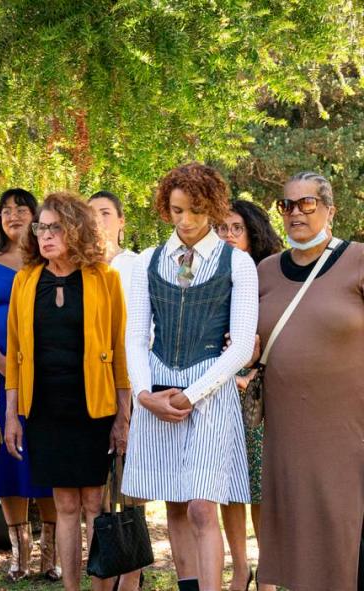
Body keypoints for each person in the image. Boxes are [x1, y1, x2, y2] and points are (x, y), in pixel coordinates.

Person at [122, 163, 258, 591]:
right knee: (175, 504)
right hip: (157, 383)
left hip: (210, 389)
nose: (186, 220)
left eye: (196, 211)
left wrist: (192, 395)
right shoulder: (147, 262)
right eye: (177, 210)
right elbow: (136, 336)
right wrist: (144, 394)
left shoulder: (237, 264)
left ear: (213, 208)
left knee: (202, 506)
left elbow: (239, 347)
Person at [3, 192, 131, 591]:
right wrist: (11, 413)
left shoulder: (105, 278)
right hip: (45, 410)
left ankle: (100, 588)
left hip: (92, 407)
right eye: (41, 226)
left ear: (76, 229)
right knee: (64, 505)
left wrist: (122, 416)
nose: (45, 234)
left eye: (55, 226)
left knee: (95, 503)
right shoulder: (25, 281)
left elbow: (121, 350)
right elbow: (14, 354)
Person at [255, 171, 363, 591]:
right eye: (287, 205)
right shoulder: (265, 271)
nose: (295, 212)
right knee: (299, 531)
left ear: (330, 210)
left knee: (345, 526)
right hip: (288, 430)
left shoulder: (357, 260)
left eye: (307, 204)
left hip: (349, 428)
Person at [0, 188, 59, 581]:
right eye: (5, 210)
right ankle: (20, 551)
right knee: (7, 461)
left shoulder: (49, 263)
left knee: (47, 459)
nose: (13, 215)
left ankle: (51, 554)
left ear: (37, 218)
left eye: (22, 208)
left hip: (48, 380)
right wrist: (5, 366)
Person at [216, 200, 282, 591]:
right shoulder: (209, 275)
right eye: (221, 228)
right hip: (220, 390)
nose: (226, 235)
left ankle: (268, 572)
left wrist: (253, 371)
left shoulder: (269, 276)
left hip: (262, 392)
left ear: (252, 232)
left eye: (235, 228)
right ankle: (240, 569)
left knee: (260, 485)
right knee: (229, 485)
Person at [89, 192, 142, 591]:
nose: (98, 220)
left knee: (131, 486)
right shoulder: (83, 270)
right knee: (98, 493)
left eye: (105, 213)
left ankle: (132, 576)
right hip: (91, 391)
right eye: (90, 214)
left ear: (122, 221)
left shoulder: (134, 266)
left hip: (131, 384)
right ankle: (104, 573)